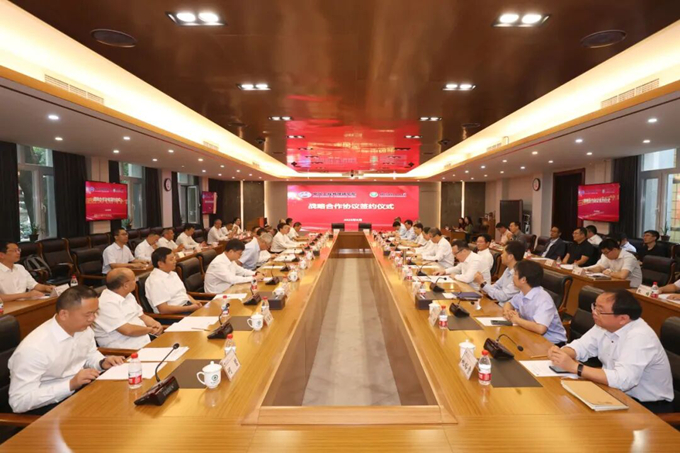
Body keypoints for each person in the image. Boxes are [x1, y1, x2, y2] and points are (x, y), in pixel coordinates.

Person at [548, 290, 673, 413]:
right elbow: (582, 346)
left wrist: (575, 367)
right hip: (612, 392)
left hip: (645, 407)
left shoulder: (640, 337)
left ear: (623, 318)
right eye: (594, 306)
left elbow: (623, 380)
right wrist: (562, 353)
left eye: (600, 311)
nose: (594, 313)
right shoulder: (605, 325)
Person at [8, 286, 126, 414]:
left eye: (95, 312)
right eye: (88, 314)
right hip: (48, 407)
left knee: (121, 401)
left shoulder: (83, 329)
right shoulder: (34, 349)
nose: (93, 319)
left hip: (78, 393)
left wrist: (102, 362)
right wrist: (70, 385)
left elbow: (89, 354)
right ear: (64, 314)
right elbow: (19, 402)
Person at [94, 269, 162, 349]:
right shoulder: (105, 304)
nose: (136, 281)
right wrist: (150, 330)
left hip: (146, 339)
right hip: (128, 349)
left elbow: (142, 316)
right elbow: (128, 330)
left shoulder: (128, 295)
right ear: (125, 285)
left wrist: (156, 324)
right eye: (134, 279)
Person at [503, 260, 567, 345]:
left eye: (515, 274)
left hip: (552, 343)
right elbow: (509, 304)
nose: (513, 276)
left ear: (523, 280)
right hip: (531, 334)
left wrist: (517, 320)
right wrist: (508, 312)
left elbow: (540, 328)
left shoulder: (543, 299)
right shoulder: (523, 292)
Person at [145, 248, 202, 314]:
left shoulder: (173, 273)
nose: (175, 261)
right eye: (171, 259)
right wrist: (189, 308)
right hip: (174, 315)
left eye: (174, 258)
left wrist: (195, 302)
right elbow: (163, 309)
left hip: (187, 306)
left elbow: (183, 294)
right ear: (160, 264)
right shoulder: (155, 281)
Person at [475, 241, 524, 306]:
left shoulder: (519, 275)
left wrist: (483, 283)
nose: (501, 255)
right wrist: (484, 286)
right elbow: (497, 286)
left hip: (508, 309)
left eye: (503, 253)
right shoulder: (508, 269)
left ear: (510, 256)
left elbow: (503, 296)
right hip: (500, 305)